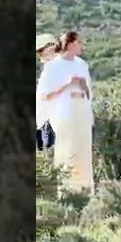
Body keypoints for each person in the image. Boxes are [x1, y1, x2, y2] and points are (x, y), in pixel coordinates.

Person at [36, 31, 94, 195]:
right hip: (65, 113)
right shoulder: (53, 66)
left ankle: (85, 192)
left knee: (83, 152)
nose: (81, 46)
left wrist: (83, 87)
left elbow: (89, 94)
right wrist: (67, 85)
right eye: (79, 43)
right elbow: (45, 95)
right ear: (70, 44)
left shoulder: (82, 64)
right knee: (68, 151)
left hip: (81, 111)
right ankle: (67, 193)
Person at [35, 33, 57, 153]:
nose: (40, 54)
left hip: (51, 121)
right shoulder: (50, 66)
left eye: (41, 50)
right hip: (43, 120)